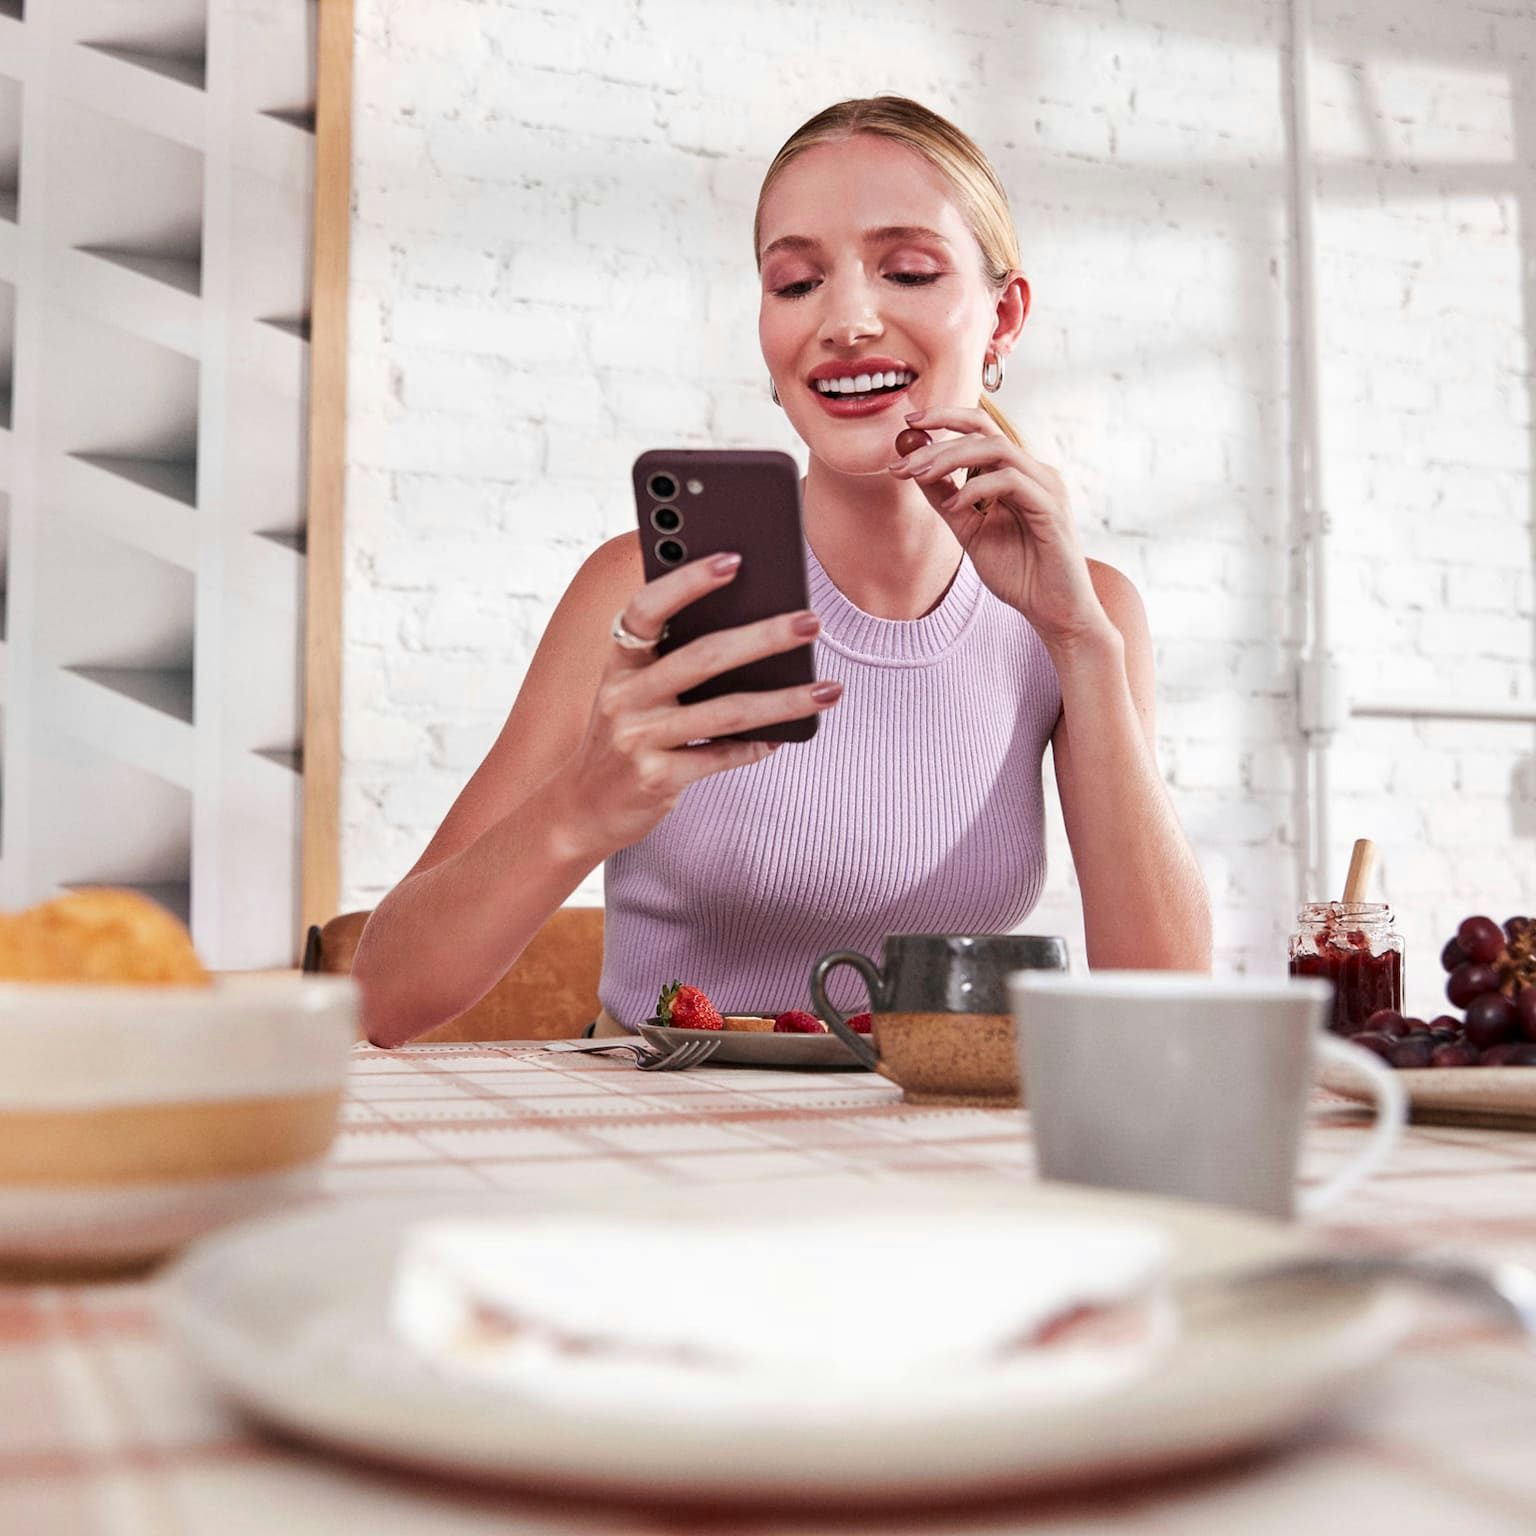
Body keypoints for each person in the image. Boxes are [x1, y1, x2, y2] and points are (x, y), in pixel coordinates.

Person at [354, 95, 1211, 1048]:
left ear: (1003, 316)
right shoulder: (643, 590)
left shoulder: (1088, 617)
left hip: (932, 1143)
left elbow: (1171, 1014)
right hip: (662, 1151)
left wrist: (1080, 644)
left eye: (909, 270)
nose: (845, 319)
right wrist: (585, 804)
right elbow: (384, 999)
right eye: (797, 283)